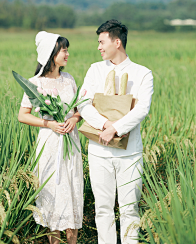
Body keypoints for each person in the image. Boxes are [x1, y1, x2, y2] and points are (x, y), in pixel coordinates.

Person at [78, 20, 154, 244]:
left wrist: (117, 128)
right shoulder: (95, 70)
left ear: (117, 42)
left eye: (102, 42)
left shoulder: (142, 74)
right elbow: (83, 103)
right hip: (99, 151)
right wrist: (104, 126)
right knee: (103, 209)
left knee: (130, 209)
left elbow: (142, 109)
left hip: (129, 154)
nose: (99, 47)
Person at [18, 31, 83, 244]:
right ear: (50, 53)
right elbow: (23, 115)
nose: (67, 53)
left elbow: (78, 109)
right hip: (50, 143)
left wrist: (74, 119)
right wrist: (50, 124)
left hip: (70, 142)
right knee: (52, 192)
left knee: (72, 190)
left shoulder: (69, 79)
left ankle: (72, 241)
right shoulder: (35, 83)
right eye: (63, 49)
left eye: (66, 49)